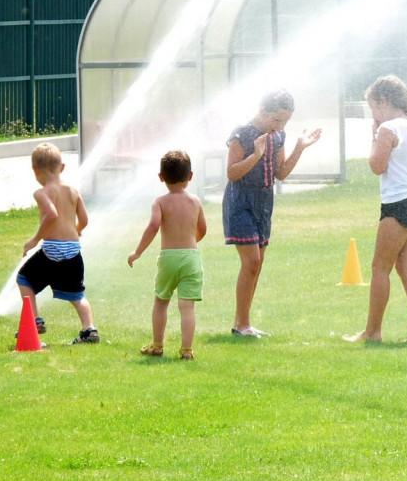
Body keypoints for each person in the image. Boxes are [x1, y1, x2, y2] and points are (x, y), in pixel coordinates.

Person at [223, 89, 322, 338]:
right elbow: (232, 173)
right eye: (277, 119)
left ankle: (243, 323)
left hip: (264, 201)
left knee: (258, 264)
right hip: (240, 200)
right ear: (262, 110)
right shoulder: (241, 133)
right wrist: (256, 155)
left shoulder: (278, 136)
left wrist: (300, 147)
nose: (280, 125)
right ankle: (241, 325)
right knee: (252, 262)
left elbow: (281, 173)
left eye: (285, 121)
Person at [344, 75, 407, 343]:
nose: (373, 114)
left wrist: (374, 134)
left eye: (373, 107)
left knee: (380, 268)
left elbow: (376, 166)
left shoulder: (388, 129)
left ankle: (372, 333)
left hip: (399, 203)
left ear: (383, 103)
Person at [128, 150, 207, 360]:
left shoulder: (160, 202)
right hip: (191, 257)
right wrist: (190, 241)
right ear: (190, 176)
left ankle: (157, 344)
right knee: (187, 305)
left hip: (169, 257)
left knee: (161, 301)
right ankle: (187, 350)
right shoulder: (196, 202)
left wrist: (138, 252)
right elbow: (202, 229)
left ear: (161, 177)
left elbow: (154, 225)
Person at [17, 142, 99, 344]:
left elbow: (52, 215)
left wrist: (34, 240)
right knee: (77, 294)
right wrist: (76, 231)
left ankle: (35, 321)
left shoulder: (42, 193)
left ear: (35, 170)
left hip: (52, 248)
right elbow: (85, 220)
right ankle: (89, 329)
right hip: (73, 250)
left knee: (24, 279)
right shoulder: (73, 191)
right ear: (62, 168)